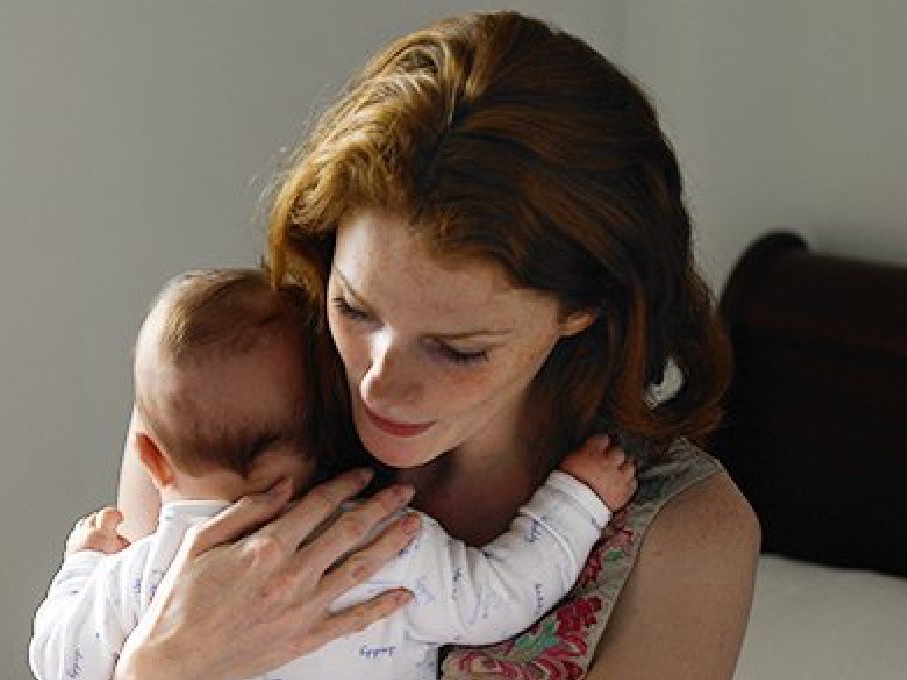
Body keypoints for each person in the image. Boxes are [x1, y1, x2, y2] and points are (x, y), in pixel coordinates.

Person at [104, 11, 760, 680]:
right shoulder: (227, 407)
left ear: (583, 308)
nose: (378, 384)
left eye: (457, 350)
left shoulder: (683, 536)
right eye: (355, 309)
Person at [28, 269, 636, 680]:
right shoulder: (382, 546)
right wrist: (578, 500)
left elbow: (55, 658)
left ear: (151, 457)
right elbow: (502, 598)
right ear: (331, 431)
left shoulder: (138, 581)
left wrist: (85, 564)